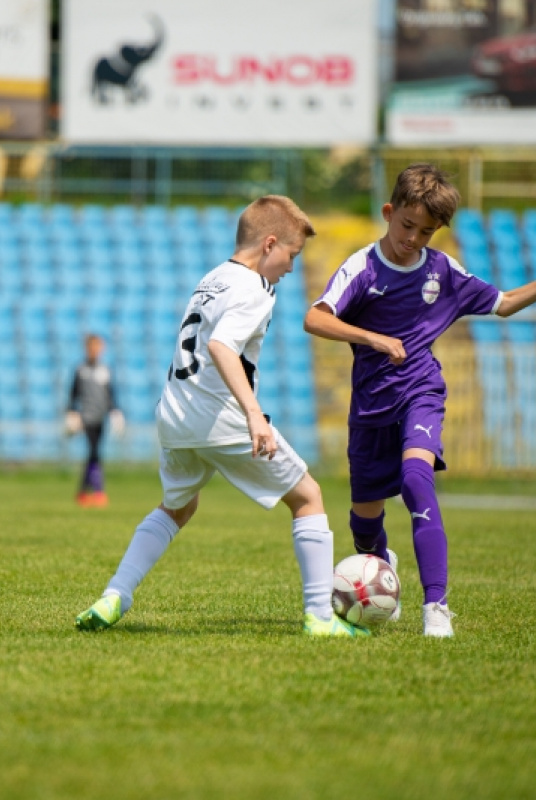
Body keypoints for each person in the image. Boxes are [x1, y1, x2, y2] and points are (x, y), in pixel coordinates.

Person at [75, 195, 370, 637]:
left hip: (174, 413)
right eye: (291, 255)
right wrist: (254, 415)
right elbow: (220, 346)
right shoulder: (254, 288)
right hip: (218, 414)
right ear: (270, 244)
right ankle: (321, 618)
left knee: (177, 506)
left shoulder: (212, 278)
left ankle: (114, 595)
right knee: (308, 497)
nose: (291, 268)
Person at [304, 163, 536, 637]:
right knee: (364, 526)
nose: (414, 238)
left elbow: (505, 302)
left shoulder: (441, 270)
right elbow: (315, 318)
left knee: (416, 479)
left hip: (420, 391)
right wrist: (374, 338)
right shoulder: (362, 266)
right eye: (407, 225)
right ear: (390, 213)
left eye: (426, 231)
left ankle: (437, 607)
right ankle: (381, 567)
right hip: (370, 407)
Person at [65, 333, 125, 507]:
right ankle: (98, 492)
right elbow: (73, 393)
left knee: (94, 454)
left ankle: (83, 492)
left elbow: (110, 394)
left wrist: (115, 411)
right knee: (94, 453)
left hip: (101, 418)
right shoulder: (80, 370)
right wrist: (71, 412)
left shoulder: (104, 370)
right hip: (86, 418)